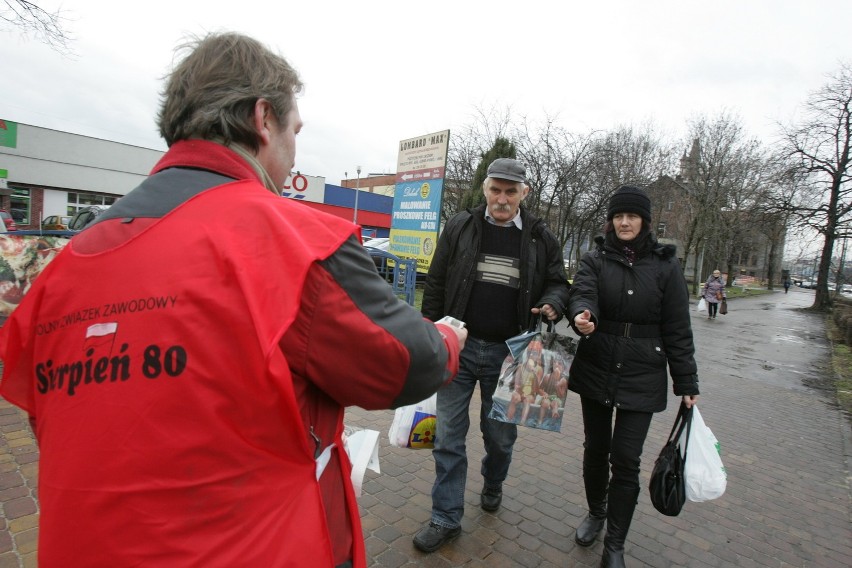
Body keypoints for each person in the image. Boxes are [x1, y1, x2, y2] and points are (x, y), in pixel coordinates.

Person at [0, 32, 467, 568]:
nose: (294, 148)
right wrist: (447, 340)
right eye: (294, 131)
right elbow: (403, 363)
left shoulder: (65, 267)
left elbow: (58, 423)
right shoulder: (294, 240)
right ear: (262, 119)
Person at [413, 157, 571, 553]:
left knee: (499, 437)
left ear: (524, 193)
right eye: (496, 190)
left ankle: (493, 480)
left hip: (510, 355)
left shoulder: (540, 237)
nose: (502, 199)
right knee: (448, 436)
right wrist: (428, 335)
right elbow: (436, 281)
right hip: (459, 348)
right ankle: (445, 516)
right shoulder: (460, 226)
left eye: (510, 191)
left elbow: (557, 282)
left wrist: (553, 302)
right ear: (485, 189)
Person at [569, 185, 699, 568]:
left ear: (644, 221)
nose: (624, 222)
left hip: (643, 371)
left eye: (632, 216)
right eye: (618, 216)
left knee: (626, 459)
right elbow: (582, 294)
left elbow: (678, 327)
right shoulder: (595, 259)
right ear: (610, 220)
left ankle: (615, 545)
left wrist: (687, 383)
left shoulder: (665, 266)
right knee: (596, 449)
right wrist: (582, 317)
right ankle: (596, 512)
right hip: (598, 364)